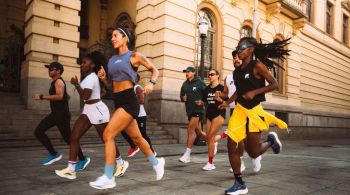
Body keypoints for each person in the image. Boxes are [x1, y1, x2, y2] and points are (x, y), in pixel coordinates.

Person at [90, 27, 164, 189]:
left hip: (130, 101)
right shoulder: (111, 60)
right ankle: (157, 162)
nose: (113, 38)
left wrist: (151, 83)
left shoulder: (134, 56)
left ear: (126, 38)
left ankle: (109, 176)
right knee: (137, 139)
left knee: (108, 134)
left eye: (116, 35)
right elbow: (111, 85)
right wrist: (103, 79)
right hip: (118, 99)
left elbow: (155, 70)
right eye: (112, 36)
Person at [218, 37, 290, 195]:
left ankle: (270, 141)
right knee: (232, 143)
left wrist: (255, 92)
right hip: (239, 110)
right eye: (238, 47)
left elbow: (274, 84)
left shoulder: (257, 66)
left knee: (253, 152)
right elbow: (238, 91)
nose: (239, 50)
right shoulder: (236, 72)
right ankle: (239, 183)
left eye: (242, 47)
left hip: (254, 111)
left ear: (251, 49)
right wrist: (227, 102)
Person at [55, 51, 129, 180]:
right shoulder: (89, 77)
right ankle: (71, 169)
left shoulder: (91, 77)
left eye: (85, 62)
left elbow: (85, 96)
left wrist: (76, 84)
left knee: (106, 139)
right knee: (74, 137)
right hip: (88, 109)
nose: (82, 64)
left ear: (92, 65)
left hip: (97, 111)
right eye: (82, 62)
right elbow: (99, 93)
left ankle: (121, 163)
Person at [33, 62, 85, 166]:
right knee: (38, 131)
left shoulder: (58, 82)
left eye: (51, 69)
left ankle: (83, 159)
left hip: (61, 116)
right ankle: (54, 154)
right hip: (55, 115)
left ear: (58, 71)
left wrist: (42, 97)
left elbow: (59, 96)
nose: (49, 71)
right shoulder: (55, 82)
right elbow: (65, 96)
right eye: (49, 69)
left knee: (69, 139)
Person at [225, 50, 262, 174]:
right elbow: (230, 93)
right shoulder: (231, 76)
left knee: (250, 144)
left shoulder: (252, 70)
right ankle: (240, 163)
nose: (236, 59)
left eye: (237, 57)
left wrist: (253, 93)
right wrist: (223, 99)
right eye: (234, 58)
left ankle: (256, 156)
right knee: (235, 138)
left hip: (251, 110)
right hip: (235, 109)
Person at [195, 69, 228, 171]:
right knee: (209, 139)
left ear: (218, 76)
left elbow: (227, 103)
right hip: (209, 115)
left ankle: (210, 163)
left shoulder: (222, 88)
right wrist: (201, 103)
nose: (210, 76)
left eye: (212, 74)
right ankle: (224, 135)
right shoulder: (207, 89)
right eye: (209, 75)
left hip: (219, 114)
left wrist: (221, 100)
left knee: (210, 138)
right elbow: (205, 101)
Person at [178, 66, 207, 163]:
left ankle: (187, 155)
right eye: (186, 72)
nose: (187, 73)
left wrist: (203, 102)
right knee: (199, 133)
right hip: (189, 111)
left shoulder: (200, 82)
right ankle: (213, 141)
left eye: (189, 72)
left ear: (194, 73)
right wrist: (183, 98)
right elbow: (181, 96)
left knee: (190, 129)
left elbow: (207, 94)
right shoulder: (185, 84)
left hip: (198, 110)